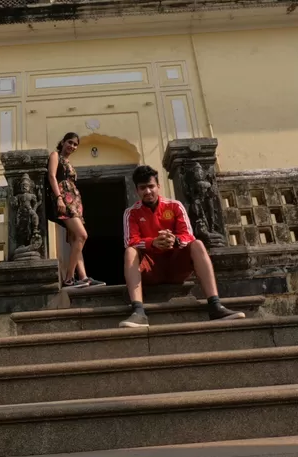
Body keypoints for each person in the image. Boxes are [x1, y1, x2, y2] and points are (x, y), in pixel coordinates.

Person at [120, 164, 245, 328]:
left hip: (176, 266)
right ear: (137, 190)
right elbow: (131, 241)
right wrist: (153, 242)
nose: (148, 191)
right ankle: (138, 311)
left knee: (197, 244)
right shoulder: (131, 212)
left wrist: (175, 241)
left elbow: (187, 235)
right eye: (143, 188)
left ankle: (215, 305)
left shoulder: (174, 206)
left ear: (158, 186)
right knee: (130, 251)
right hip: (150, 271)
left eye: (151, 186)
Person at [46, 132, 105, 288]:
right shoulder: (55, 155)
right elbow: (52, 176)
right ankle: (69, 278)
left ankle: (83, 277)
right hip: (64, 199)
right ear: (63, 142)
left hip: (74, 201)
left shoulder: (68, 161)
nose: (72, 146)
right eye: (70, 142)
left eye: (75, 144)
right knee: (82, 235)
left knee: (75, 240)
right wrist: (59, 198)